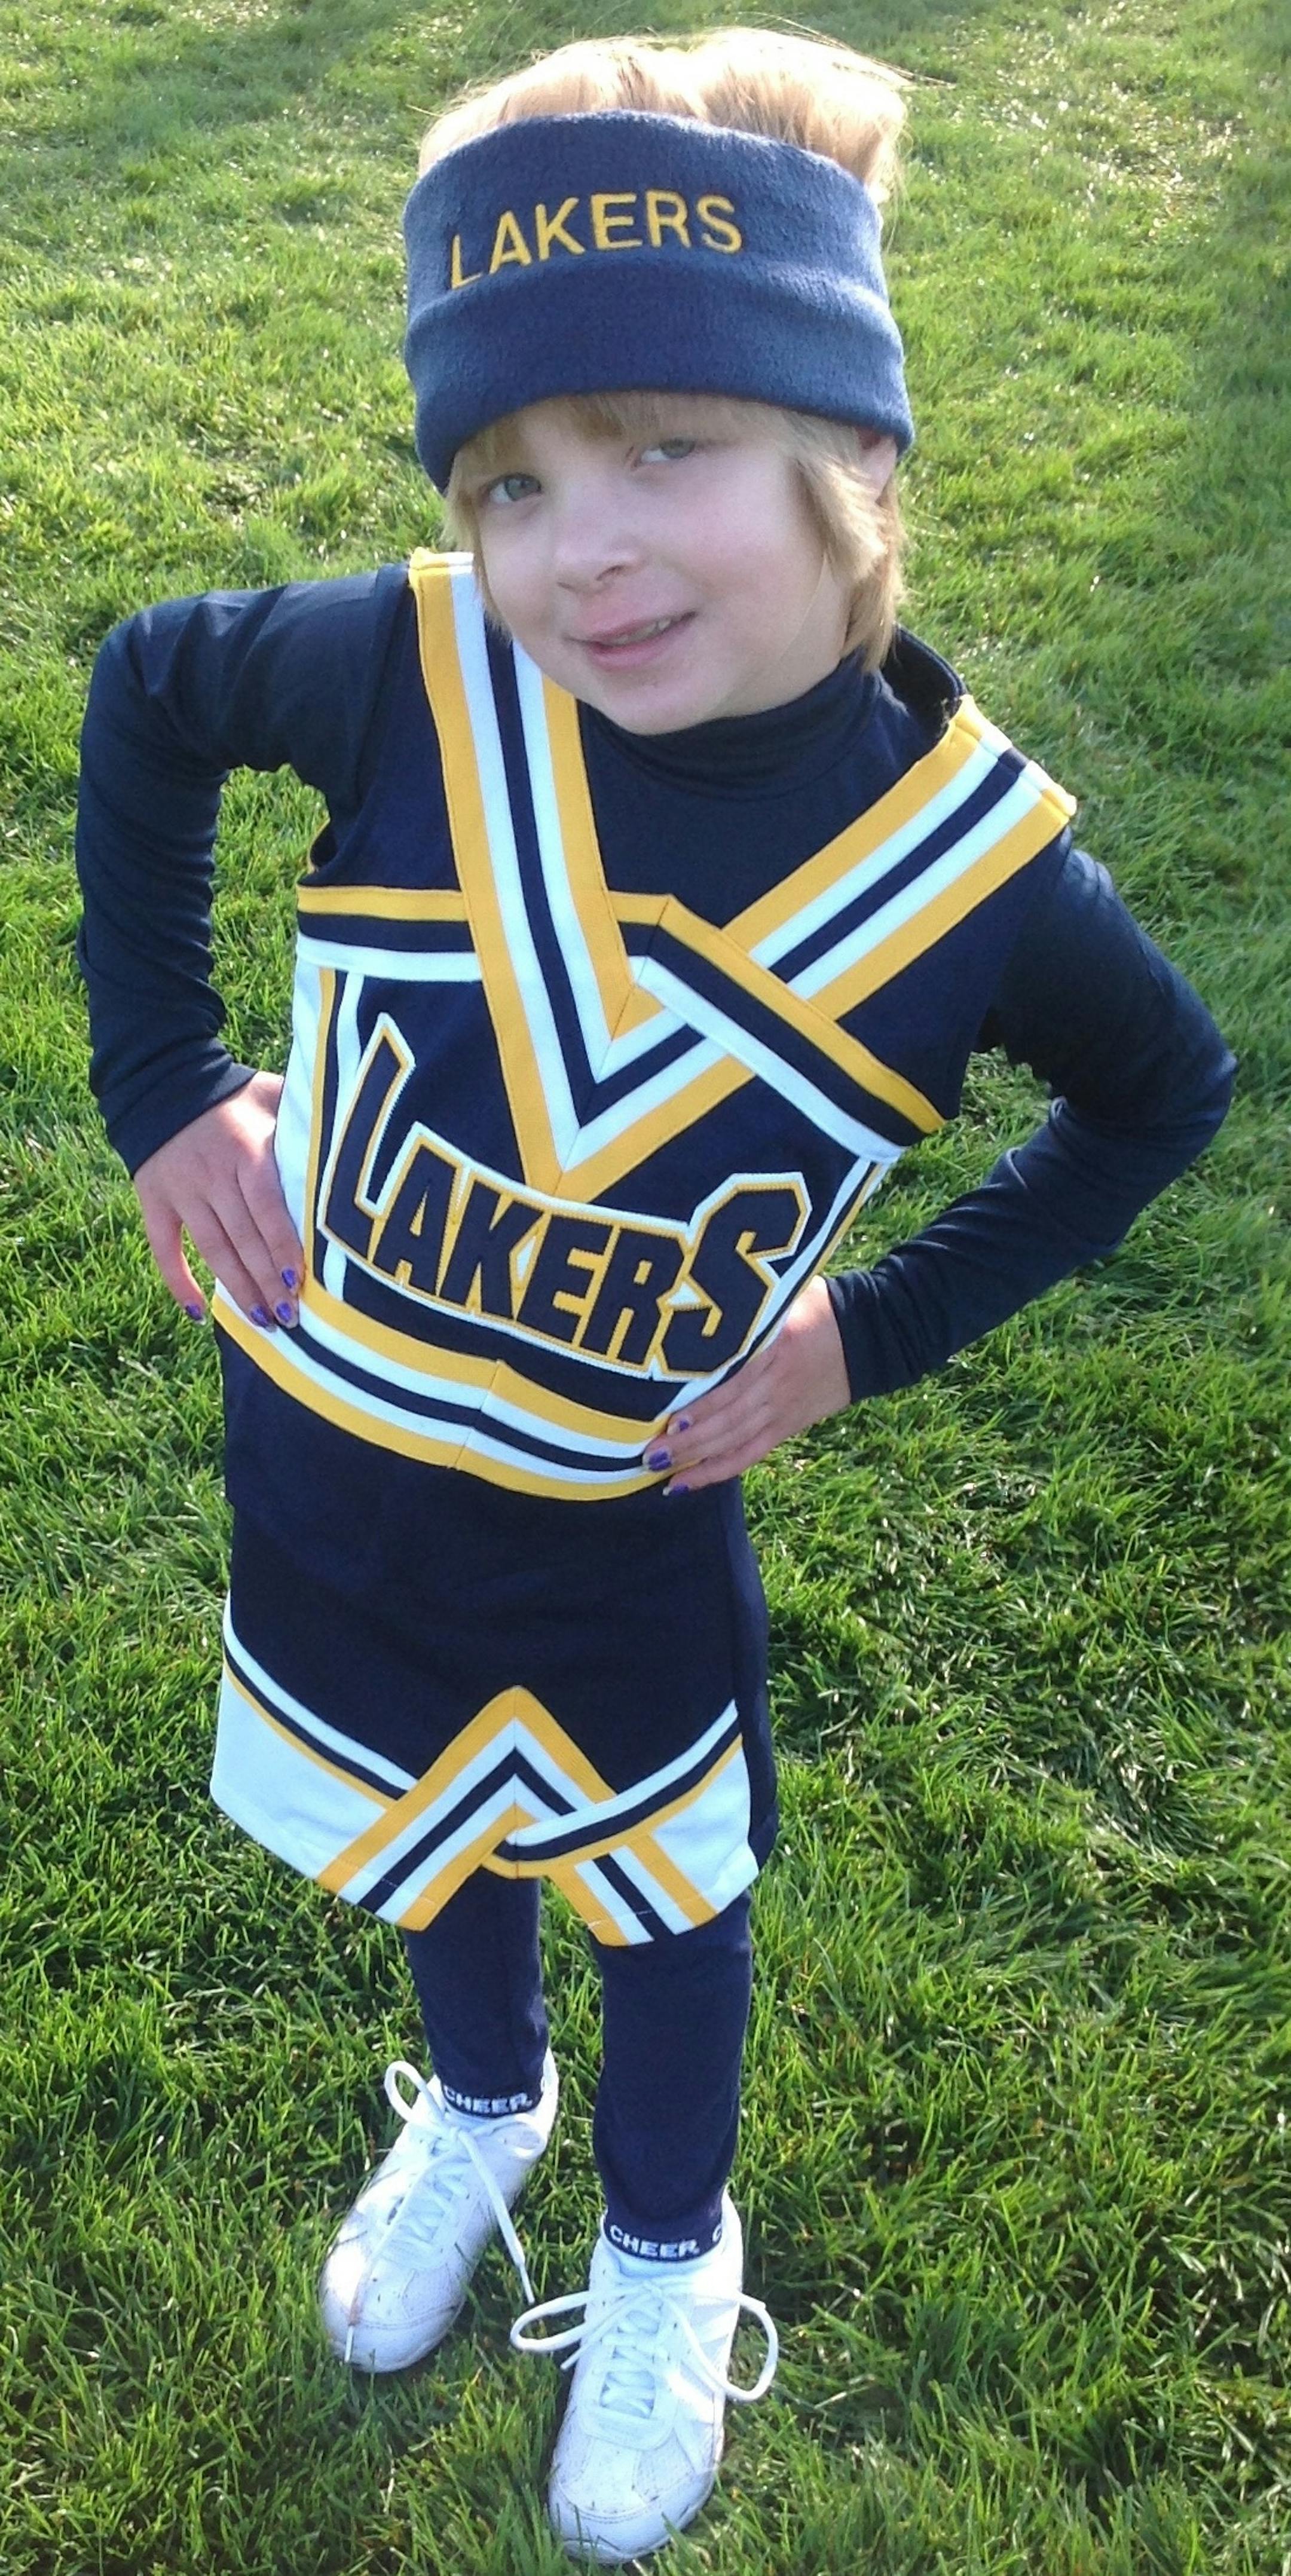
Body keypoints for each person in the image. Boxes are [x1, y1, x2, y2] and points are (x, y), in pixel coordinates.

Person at [74, 26, 1235, 2563]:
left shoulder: (976, 876)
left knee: (667, 1891)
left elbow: (1163, 1095)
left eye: (665, 447)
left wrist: (863, 1333)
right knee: (432, 1821)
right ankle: (484, 2110)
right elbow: (146, 693)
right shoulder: (410, 673)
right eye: (512, 479)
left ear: (854, 452)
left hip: (621, 1525)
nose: (579, 549)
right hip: (342, 1451)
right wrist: (164, 1081)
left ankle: (664, 2247)